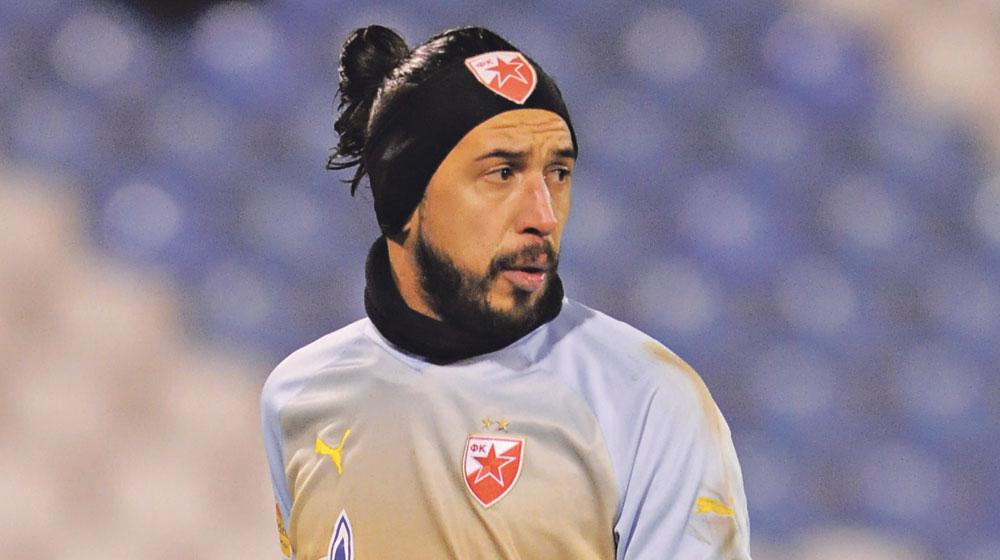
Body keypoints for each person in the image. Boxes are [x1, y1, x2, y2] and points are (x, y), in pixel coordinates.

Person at [260, 24, 751, 560]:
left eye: (558, 173)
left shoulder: (647, 399)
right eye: (501, 173)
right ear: (406, 198)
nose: (544, 216)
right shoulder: (299, 395)